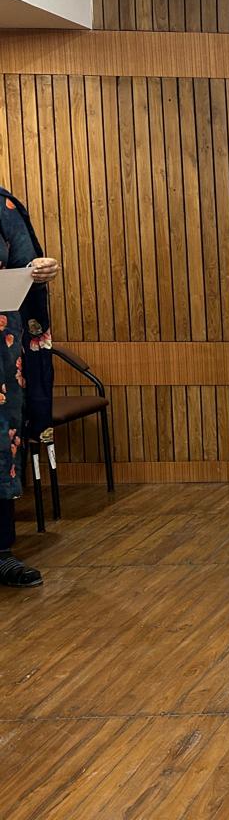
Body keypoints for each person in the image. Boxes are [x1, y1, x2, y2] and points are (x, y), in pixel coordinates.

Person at [0, 190, 59, 588]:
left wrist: (41, 269)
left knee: (0, 444)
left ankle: (1, 552)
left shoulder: (2, 206)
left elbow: (27, 265)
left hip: (0, 356)